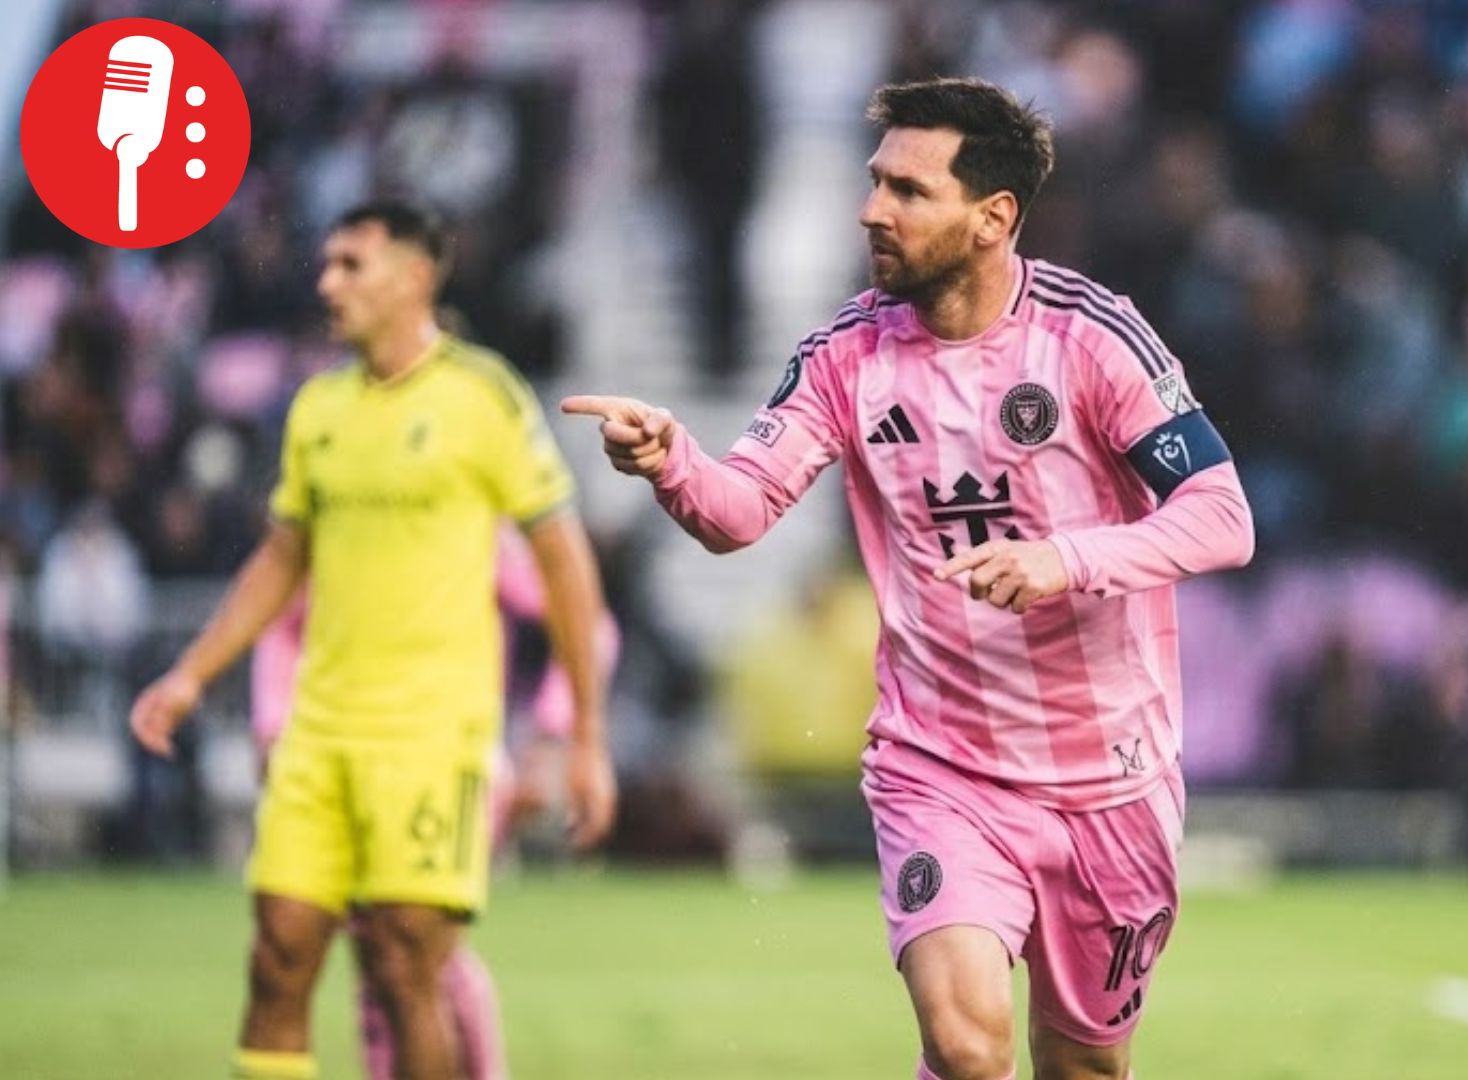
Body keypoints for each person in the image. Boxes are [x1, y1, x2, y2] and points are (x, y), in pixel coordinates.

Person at [565, 78, 1254, 1080]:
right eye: (875, 181)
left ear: (993, 218)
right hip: (941, 766)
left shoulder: (1091, 335)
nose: (871, 210)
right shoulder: (846, 354)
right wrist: (674, 462)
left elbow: (1223, 516)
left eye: (908, 191)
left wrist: (1063, 559)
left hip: (1113, 778)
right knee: (967, 1046)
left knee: (1085, 1067)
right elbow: (739, 510)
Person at [129, 200, 617, 1080]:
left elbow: (562, 560)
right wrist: (191, 675)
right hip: (319, 732)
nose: (328, 283)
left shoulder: (482, 397)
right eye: (326, 264)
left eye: (352, 264)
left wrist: (581, 736)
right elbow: (284, 557)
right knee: (277, 957)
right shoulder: (318, 408)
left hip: (432, 737)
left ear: (416, 276)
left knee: (403, 966)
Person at [249, 525, 621, 1080]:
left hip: (451, 759)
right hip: (344, 759)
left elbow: (589, 624)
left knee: (406, 950)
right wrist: (274, 724)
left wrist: (551, 736)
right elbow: (285, 619)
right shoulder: (347, 511)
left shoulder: (468, 520)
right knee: (401, 952)